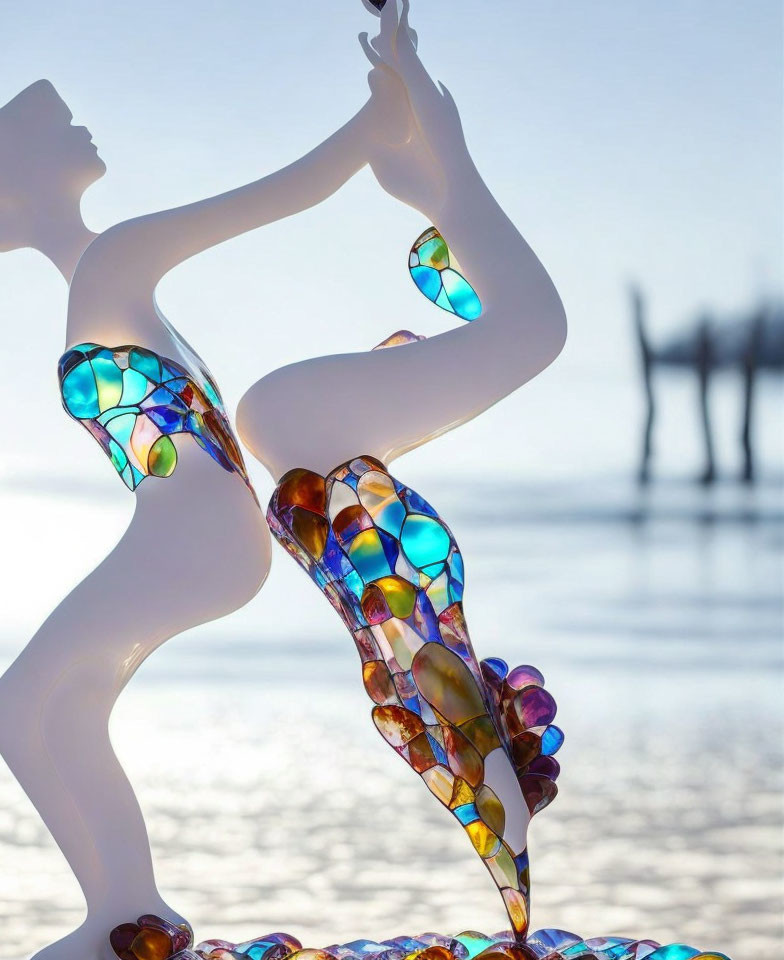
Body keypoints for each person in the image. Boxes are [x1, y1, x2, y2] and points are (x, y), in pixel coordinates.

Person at [0, 55, 410, 959]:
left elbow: (273, 196)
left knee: (15, 710)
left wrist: (374, 121)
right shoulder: (102, 279)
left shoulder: (114, 259)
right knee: (63, 711)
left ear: (15, 183)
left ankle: (125, 913)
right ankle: (128, 911)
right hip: (189, 535)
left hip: (190, 536)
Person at [236, 0, 568, 940]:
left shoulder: (489, 264)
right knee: (415, 616)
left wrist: (409, 77)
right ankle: (506, 873)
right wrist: (410, 73)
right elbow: (451, 151)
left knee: (409, 620)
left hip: (303, 417)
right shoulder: (502, 277)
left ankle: (505, 871)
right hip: (301, 416)